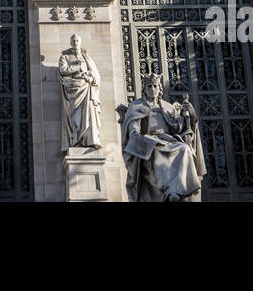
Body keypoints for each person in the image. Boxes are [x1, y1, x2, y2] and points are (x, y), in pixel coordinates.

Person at [120, 73, 206, 201]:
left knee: (184, 149)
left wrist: (189, 115)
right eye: (149, 86)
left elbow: (179, 127)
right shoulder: (137, 106)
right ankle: (168, 190)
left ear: (159, 88)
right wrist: (135, 132)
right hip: (149, 141)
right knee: (155, 152)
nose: (153, 89)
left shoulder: (166, 106)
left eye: (155, 86)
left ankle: (176, 189)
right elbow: (133, 125)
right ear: (144, 89)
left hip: (167, 140)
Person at [58, 34, 102, 150]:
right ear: (70, 42)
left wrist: (90, 78)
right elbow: (63, 70)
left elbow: (95, 75)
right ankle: (76, 140)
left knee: (90, 113)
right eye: (73, 40)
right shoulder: (65, 57)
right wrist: (77, 67)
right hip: (73, 90)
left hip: (86, 88)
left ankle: (91, 140)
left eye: (77, 40)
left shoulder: (86, 57)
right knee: (75, 117)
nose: (75, 42)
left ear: (80, 42)